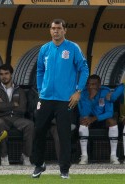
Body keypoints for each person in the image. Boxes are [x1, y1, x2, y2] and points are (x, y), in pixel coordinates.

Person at [32, 18, 89, 179]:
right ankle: (38, 164)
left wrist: (78, 91)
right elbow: (40, 71)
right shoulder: (45, 49)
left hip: (65, 99)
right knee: (39, 131)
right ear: (50, 31)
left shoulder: (72, 48)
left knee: (64, 134)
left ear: (65, 30)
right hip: (46, 98)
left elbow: (84, 69)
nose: (55, 31)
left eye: (58, 28)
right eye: (53, 28)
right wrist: (40, 90)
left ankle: (64, 169)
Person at [0, 64, 34, 166]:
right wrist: (13, 104)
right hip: (2, 118)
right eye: (1, 74)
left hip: (18, 118)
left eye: (6, 73)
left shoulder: (20, 90)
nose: (4, 76)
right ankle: (4, 156)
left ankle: (26, 156)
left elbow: (22, 109)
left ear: (11, 74)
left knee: (30, 124)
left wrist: (4, 105)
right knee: (0, 123)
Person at [78, 74, 120, 165]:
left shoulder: (105, 92)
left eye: (94, 84)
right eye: (89, 84)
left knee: (112, 121)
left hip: (102, 119)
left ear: (99, 85)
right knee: (83, 120)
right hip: (89, 120)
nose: (90, 87)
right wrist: (91, 99)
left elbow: (110, 112)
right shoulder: (83, 93)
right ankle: (84, 156)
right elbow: (83, 113)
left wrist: (96, 118)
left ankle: (113, 156)